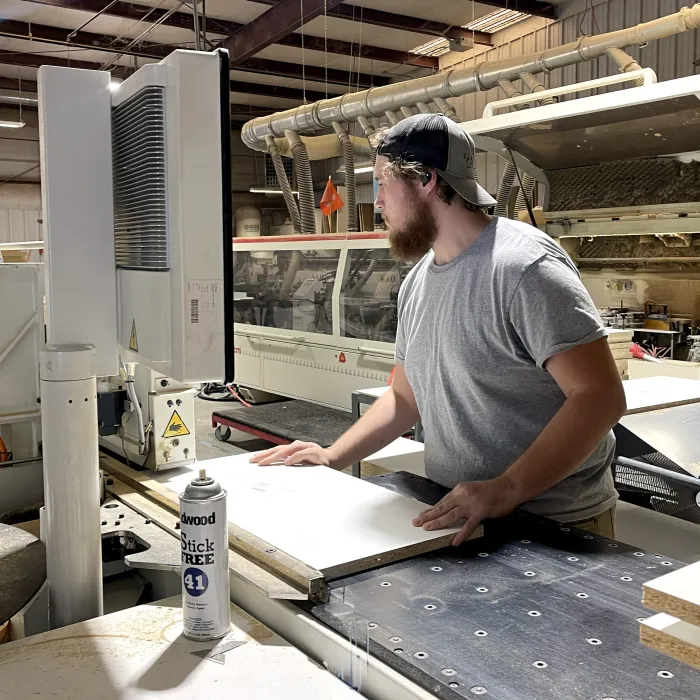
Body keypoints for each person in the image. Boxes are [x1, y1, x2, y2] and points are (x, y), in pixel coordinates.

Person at [250, 113, 626, 545]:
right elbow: (404, 397)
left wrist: (506, 488)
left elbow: (600, 397)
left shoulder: (524, 268)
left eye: (381, 184)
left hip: (554, 526)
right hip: (459, 513)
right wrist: (332, 456)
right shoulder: (418, 281)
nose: (376, 203)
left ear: (427, 180)